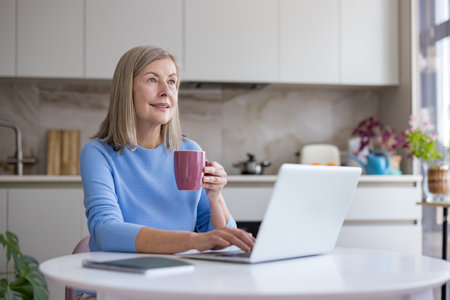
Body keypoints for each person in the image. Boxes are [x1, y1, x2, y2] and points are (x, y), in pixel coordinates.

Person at [80, 45, 255, 257]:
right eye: (152, 80)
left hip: (177, 275)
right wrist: (194, 240)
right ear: (127, 89)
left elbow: (220, 238)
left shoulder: (190, 151)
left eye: (172, 81)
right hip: (118, 275)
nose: (166, 91)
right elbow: (106, 231)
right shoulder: (98, 154)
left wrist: (215, 197)